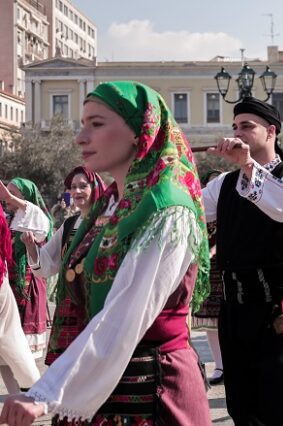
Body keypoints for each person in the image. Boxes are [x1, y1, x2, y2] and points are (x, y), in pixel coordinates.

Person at [0, 81, 211, 425]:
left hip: (151, 392)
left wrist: (45, 395)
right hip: (98, 388)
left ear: (138, 131)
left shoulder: (167, 208)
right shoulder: (109, 204)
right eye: (83, 124)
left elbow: (126, 313)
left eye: (97, 124)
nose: (81, 137)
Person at [202, 96, 283, 425]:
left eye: (247, 127)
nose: (238, 133)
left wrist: (248, 165)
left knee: (282, 409)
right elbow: (187, 208)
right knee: (243, 410)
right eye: (235, 127)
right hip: (236, 310)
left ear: (271, 131)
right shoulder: (223, 185)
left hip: (280, 307)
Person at [20, 166, 105, 366]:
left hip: (97, 302)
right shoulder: (70, 225)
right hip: (70, 304)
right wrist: (31, 246)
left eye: (83, 186)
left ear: (96, 188)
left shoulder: (107, 223)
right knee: (68, 368)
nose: (76, 191)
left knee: (93, 366)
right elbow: (47, 265)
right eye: (73, 187)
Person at [0, 178, 51, 395]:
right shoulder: (8, 219)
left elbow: (42, 225)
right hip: (7, 284)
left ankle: (32, 392)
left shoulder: (33, 218)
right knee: (4, 351)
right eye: (6, 192)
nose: (7, 197)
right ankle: (17, 396)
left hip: (26, 287)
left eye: (13, 193)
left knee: (19, 346)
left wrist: (11, 199)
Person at [191, 169, 225, 385]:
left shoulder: (231, 209)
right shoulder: (199, 211)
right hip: (208, 269)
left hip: (229, 268)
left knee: (231, 320)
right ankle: (220, 365)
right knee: (211, 322)